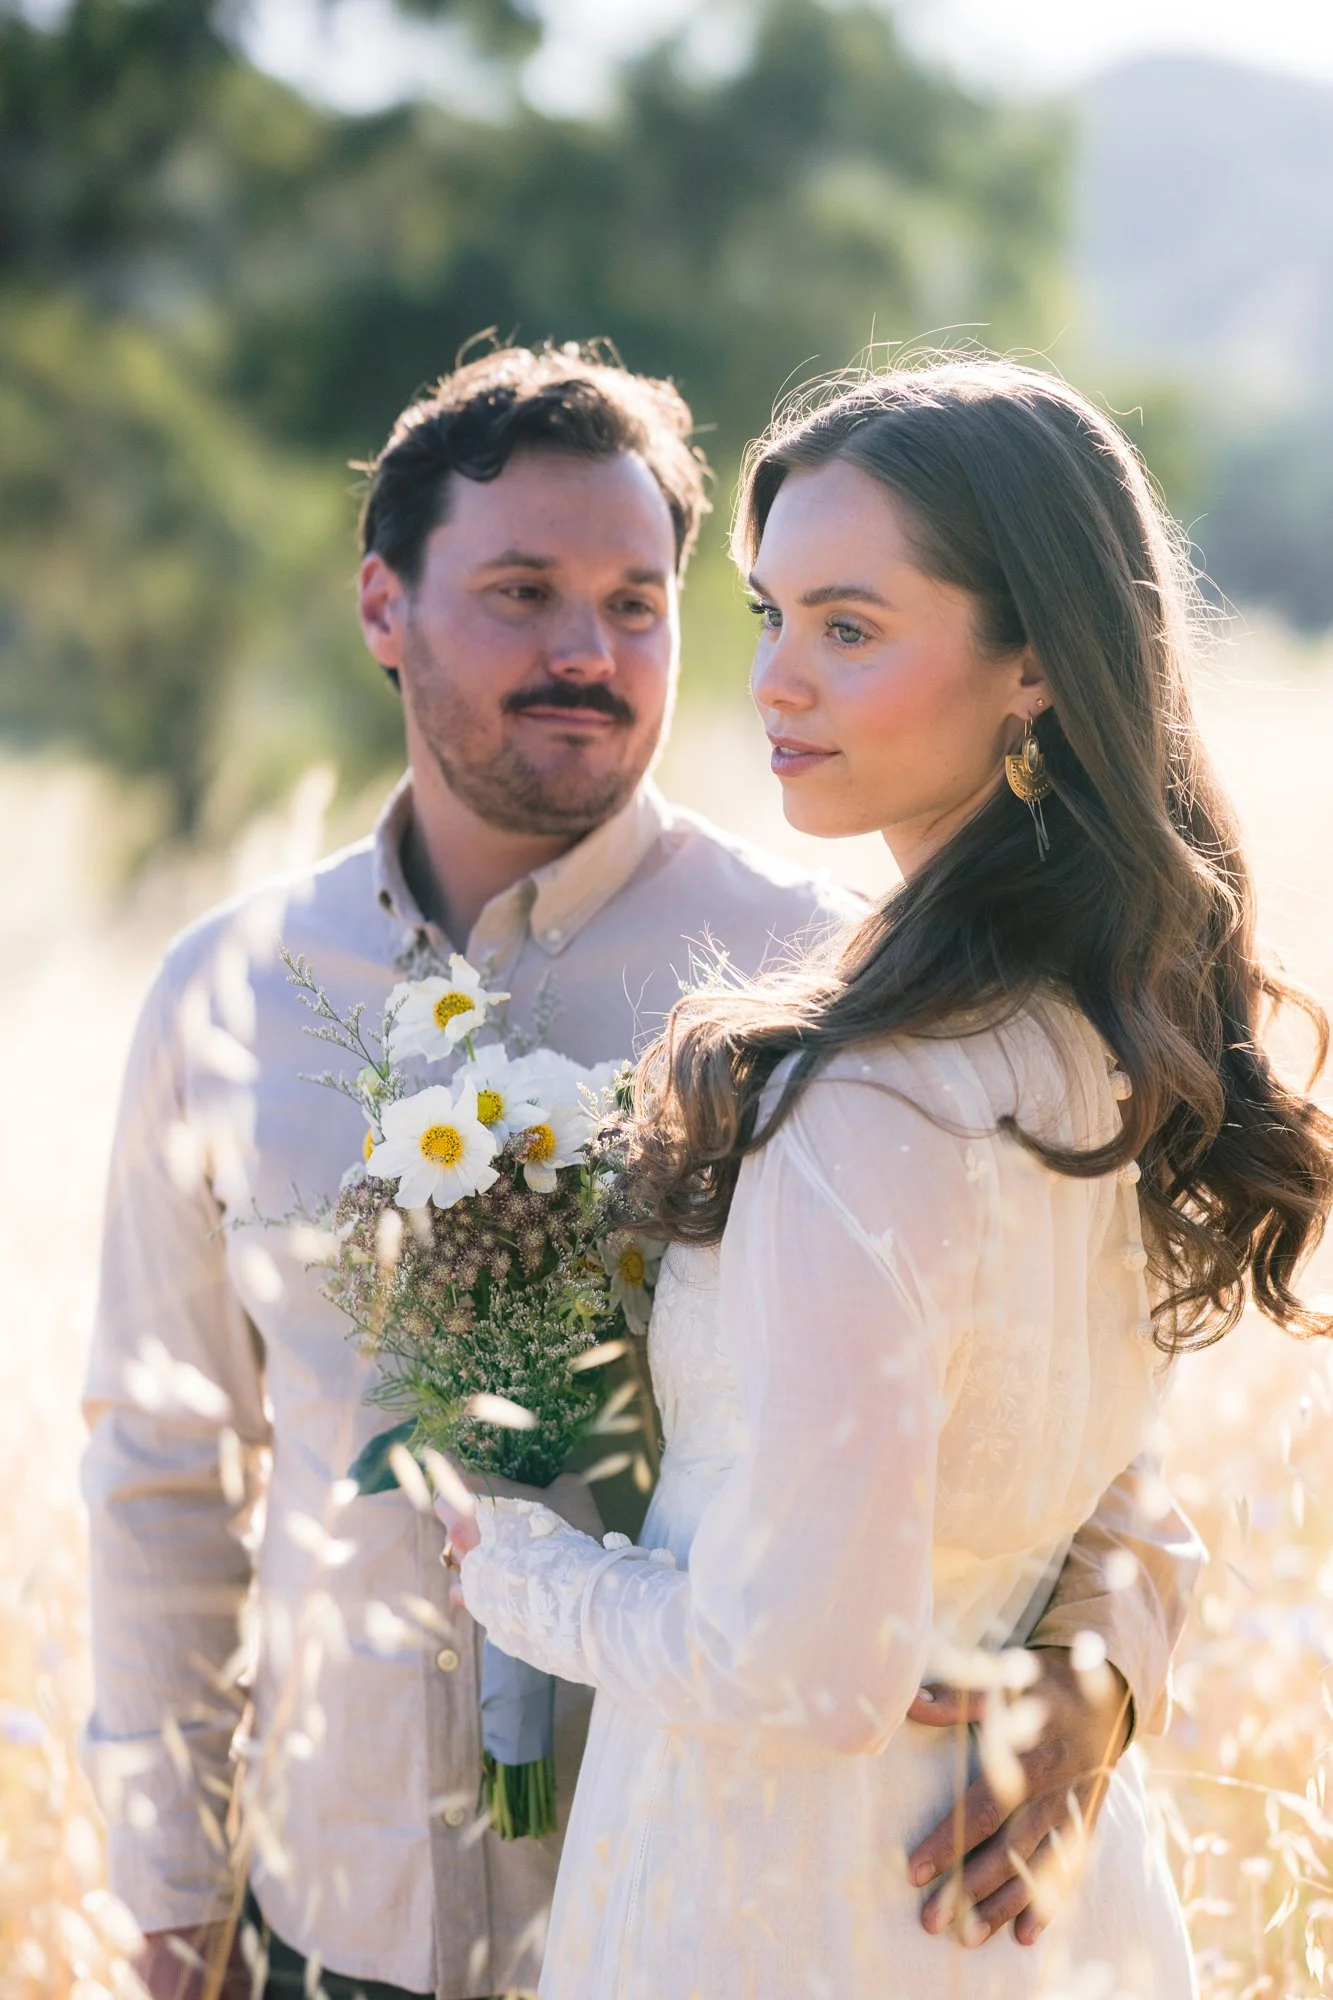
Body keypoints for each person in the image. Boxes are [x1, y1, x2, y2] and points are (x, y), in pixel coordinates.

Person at [83, 344, 1202, 2000]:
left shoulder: (836, 983)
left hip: (707, 1908)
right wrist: (175, 1897)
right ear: (382, 608)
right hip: (340, 1922)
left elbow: (1084, 1440)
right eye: (524, 592)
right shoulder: (229, 994)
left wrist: (1096, 1679)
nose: (589, 654)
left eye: (638, 601)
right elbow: (164, 1472)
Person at [452, 355, 1333, 1997]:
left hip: (795, 1896)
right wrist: (1098, 1670)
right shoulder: (1109, 1038)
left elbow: (801, 1671)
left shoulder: (868, 1099)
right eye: (772, 614)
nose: (777, 680)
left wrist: (519, 1570)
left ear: (1034, 668)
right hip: (1006, 1889)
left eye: (851, 629)